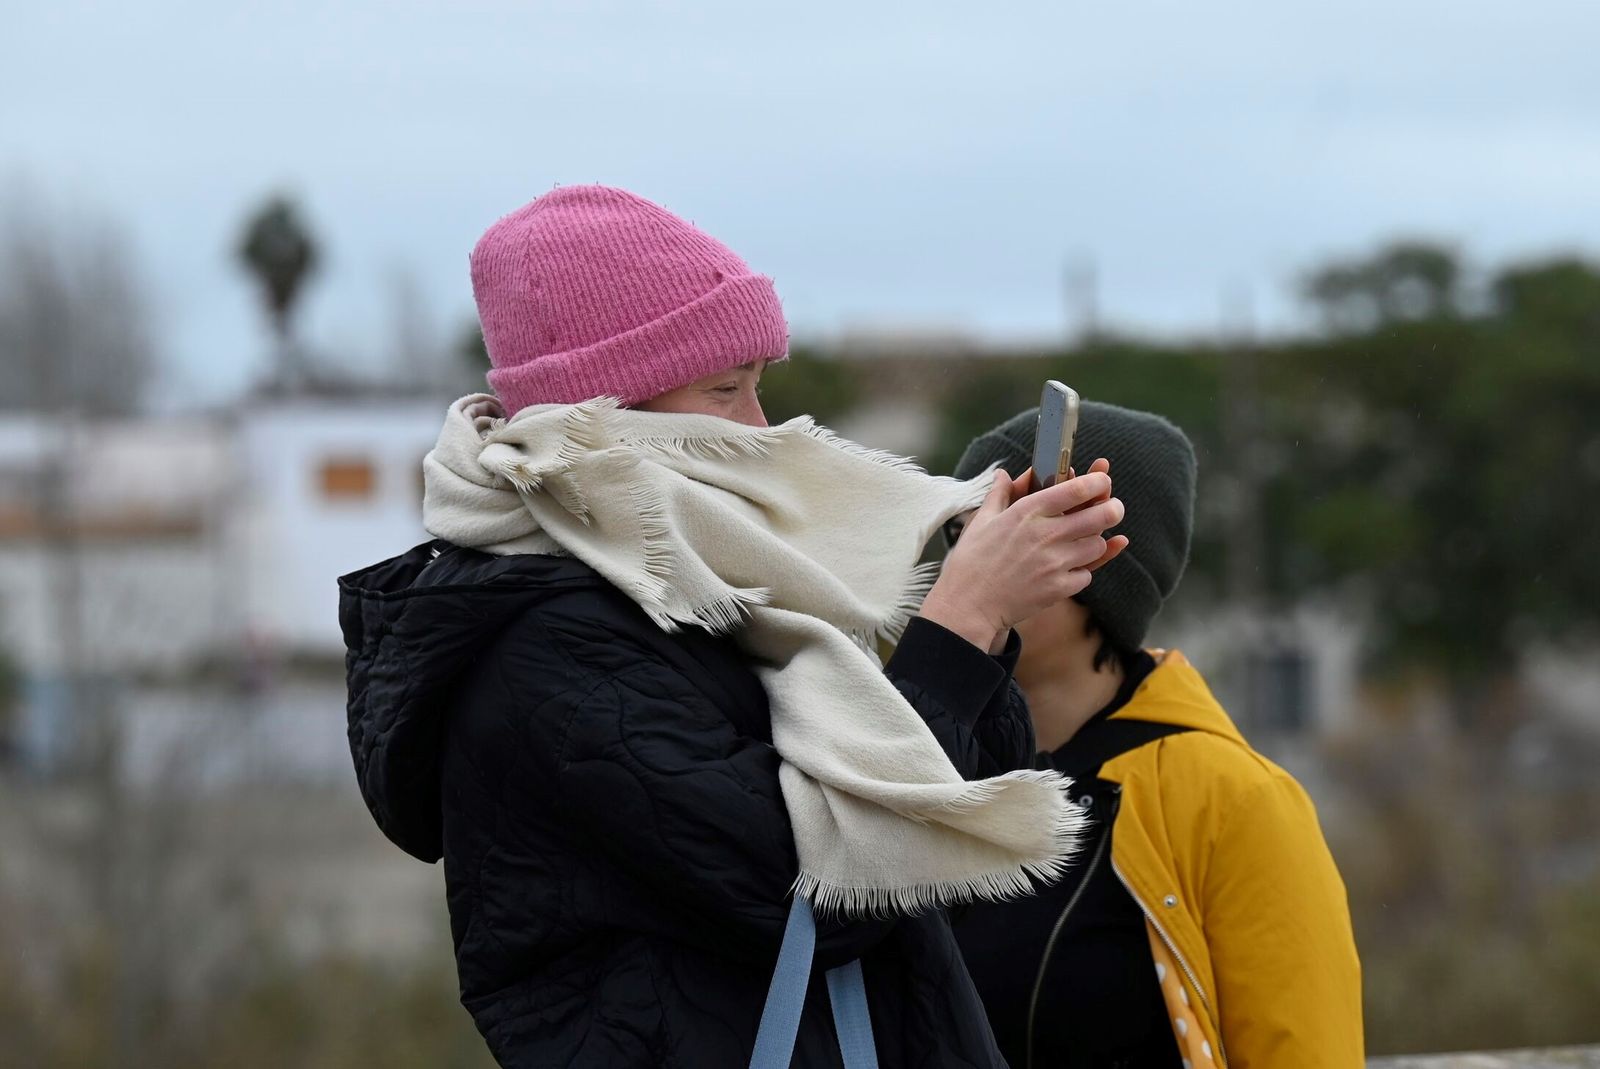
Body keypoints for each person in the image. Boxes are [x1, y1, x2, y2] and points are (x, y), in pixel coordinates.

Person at [337, 185, 1129, 1068]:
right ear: (604, 413)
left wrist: (983, 625)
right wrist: (961, 617)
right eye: (725, 392)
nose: (761, 430)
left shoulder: (723, 580)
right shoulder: (543, 646)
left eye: (759, 388)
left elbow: (959, 829)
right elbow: (813, 897)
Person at [948, 402, 1364, 1069]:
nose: (963, 567)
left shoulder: (1233, 802)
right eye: (956, 537)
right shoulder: (923, 768)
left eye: (1003, 534)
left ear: (1101, 570)